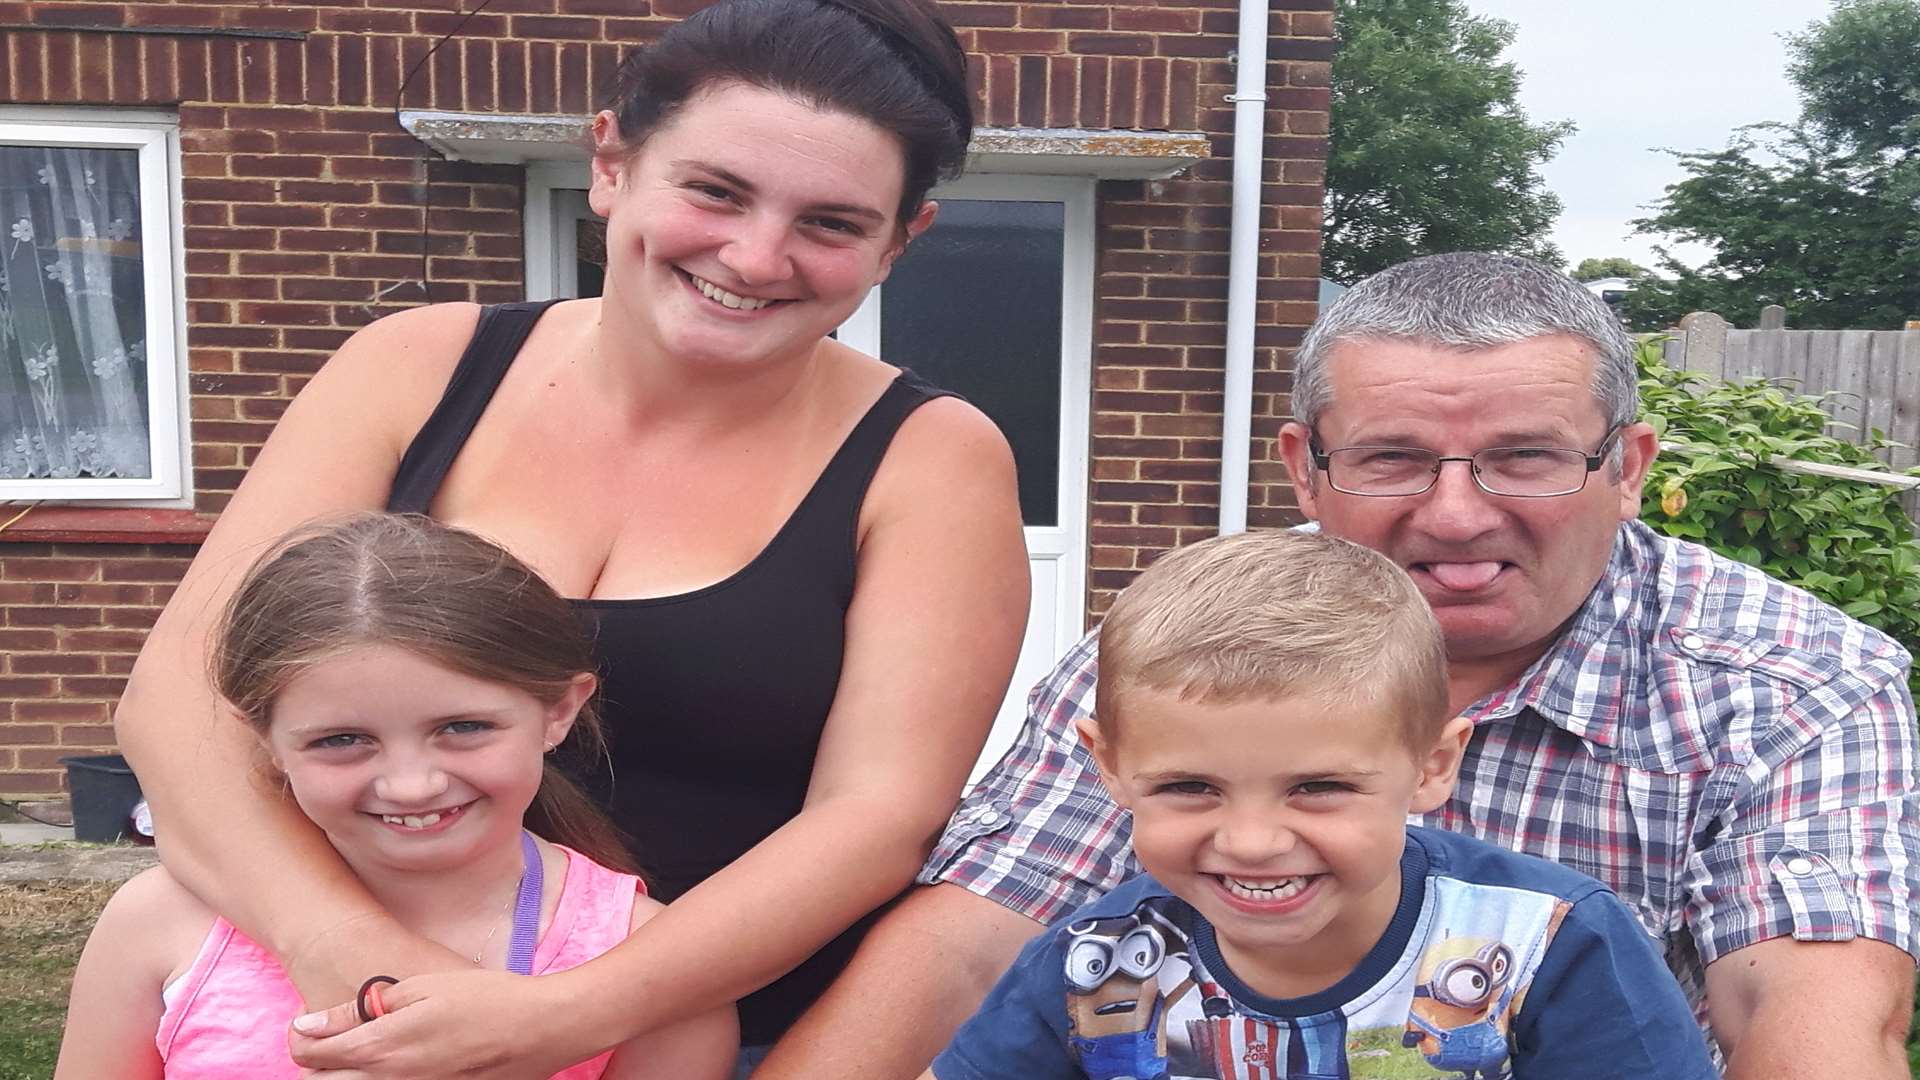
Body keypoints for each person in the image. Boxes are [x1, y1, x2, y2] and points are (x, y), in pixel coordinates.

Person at [110, 0, 1031, 1075]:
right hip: (320, 1021)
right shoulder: (411, 368)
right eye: (714, 190)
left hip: (702, 1042)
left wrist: (565, 1017)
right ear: (611, 162)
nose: (755, 254)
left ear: (897, 243)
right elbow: (180, 700)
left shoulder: (932, 458)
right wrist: (358, 963)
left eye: (830, 222)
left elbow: (876, 819)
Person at [760, 252, 1920, 1080]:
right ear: (1305, 470)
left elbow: (1806, 1013)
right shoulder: (1193, 649)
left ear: (1625, 467)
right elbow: (976, 942)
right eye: (1392, 458)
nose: (1457, 515)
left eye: (1524, 457)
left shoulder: (1794, 682)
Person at [925, 530, 1716, 1079]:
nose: (1254, 841)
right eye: (1189, 787)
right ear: (1110, 769)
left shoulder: (1549, 944)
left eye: (1319, 787)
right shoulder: (1095, 964)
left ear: (1433, 765)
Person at [57, 514, 739, 1079]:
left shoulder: (644, 957)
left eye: (463, 728)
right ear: (263, 738)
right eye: (342, 740)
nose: (411, 784)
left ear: (558, 710)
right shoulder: (158, 926)